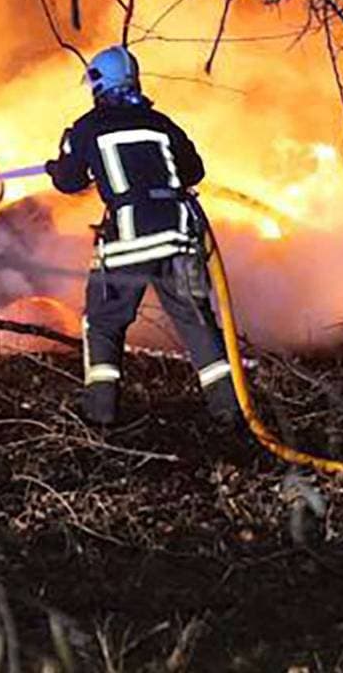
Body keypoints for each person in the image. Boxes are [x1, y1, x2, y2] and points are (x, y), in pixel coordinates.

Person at [45, 45, 240, 427]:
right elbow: (193, 171)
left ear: (100, 86)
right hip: (180, 235)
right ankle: (231, 408)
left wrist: (59, 163)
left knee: (103, 322)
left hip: (129, 241)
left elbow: (69, 181)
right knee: (196, 319)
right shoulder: (162, 123)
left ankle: (100, 414)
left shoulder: (87, 128)